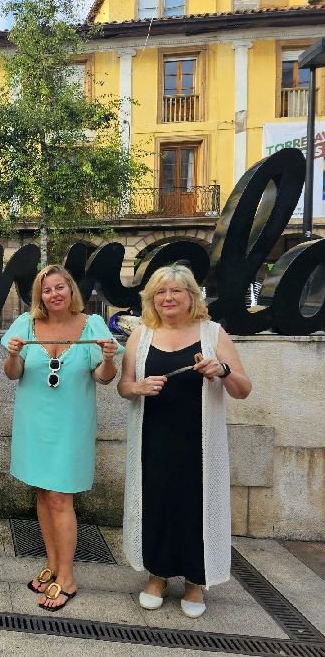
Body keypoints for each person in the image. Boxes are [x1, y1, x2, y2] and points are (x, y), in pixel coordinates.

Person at [118, 264, 251, 618]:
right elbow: (124, 387)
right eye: (160, 292)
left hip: (199, 443)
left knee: (196, 508)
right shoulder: (141, 335)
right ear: (151, 299)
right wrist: (138, 387)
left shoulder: (213, 334)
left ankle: (195, 581)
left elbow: (243, 390)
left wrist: (222, 370)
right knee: (156, 503)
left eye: (175, 291)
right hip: (153, 439)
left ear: (192, 296)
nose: (167, 298)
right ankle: (157, 576)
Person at [0, 265, 121, 611]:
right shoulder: (25, 324)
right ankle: (53, 565)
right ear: (39, 295)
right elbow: (13, 374)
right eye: (47, 289)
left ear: (70, 290)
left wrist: (108, 359)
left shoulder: (92, 325)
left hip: (70, 424)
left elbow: (104, 377)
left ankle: (67, 578)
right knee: (42, 492)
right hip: (34, 423)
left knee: (59, 497)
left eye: (59, 287)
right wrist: (12, 354)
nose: (54, 294)